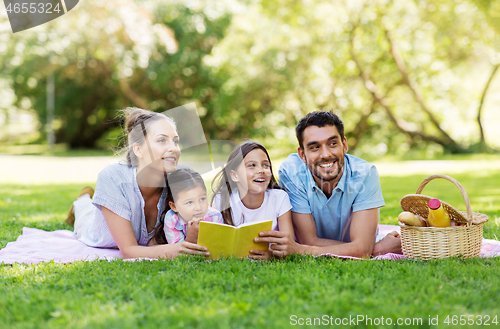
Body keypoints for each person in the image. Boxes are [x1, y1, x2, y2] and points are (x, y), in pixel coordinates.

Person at [66, 108, 210, 259]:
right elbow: (129, 251)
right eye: (162, 140)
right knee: (85, 211)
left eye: (175, 141)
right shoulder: (113, 178)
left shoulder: (182, 180)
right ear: (138, 149)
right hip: (94, 228)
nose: (173, 148)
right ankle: (82, 199)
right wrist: (174, 250)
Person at [255, 111, 402, 258]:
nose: (325, 154)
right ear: (302, 154)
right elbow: (307, 240)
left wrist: (301, 250)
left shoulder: (365, 173)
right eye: (314, 147)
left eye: (332, 144)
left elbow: (362, 248)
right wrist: (375, 249)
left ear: (344, 145)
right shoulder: (291, 172)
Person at [211, 141, 295, 260]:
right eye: (252, 165)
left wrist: (271, 255)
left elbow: (288, 245)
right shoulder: (222, 200)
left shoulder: (280, 198)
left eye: (265, 165)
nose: (261, 170)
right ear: (235, 176)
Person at [160, 168, 223, 244]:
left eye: (202, 199)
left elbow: (218, 245)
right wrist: (191, 238)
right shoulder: (172, 219)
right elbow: (178, 252)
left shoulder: (215, 216)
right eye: (189, 202)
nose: (198, 207)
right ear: (174, 206)